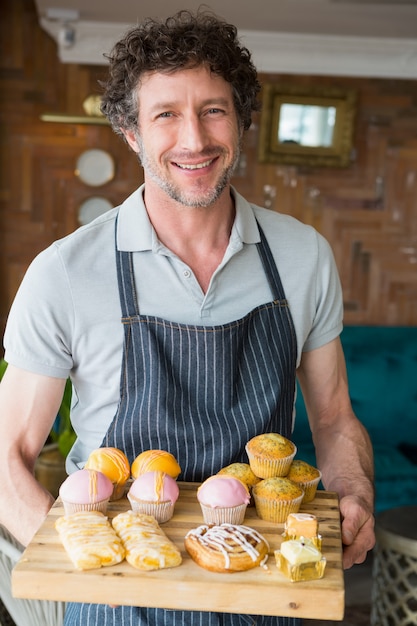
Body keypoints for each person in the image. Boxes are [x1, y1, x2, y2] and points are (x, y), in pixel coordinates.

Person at [0, 9, 375, 626]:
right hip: (119, 599)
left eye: (214, 110)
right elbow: (10, 451)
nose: (194, 140)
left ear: (242, 119)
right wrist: (81, 555)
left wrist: (356, 490)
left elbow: (333, 418)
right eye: (165, 114)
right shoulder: (66, 272)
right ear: (130, 130)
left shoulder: (303, 256)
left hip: (265, 585)